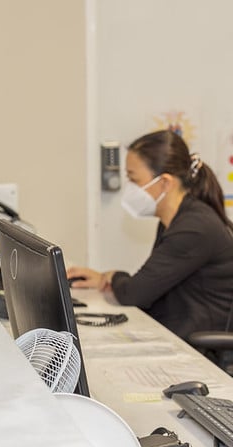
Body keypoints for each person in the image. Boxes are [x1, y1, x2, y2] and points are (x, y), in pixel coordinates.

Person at [68, 129, 233, 340]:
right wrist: (104, 278)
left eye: (134, 180)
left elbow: (135, 294)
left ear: (165, 182)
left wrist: (112, 276)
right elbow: (151, 284)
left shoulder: (194, 228)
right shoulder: (175, 220)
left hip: (201, 350)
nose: (130, 189)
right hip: (180, 333)